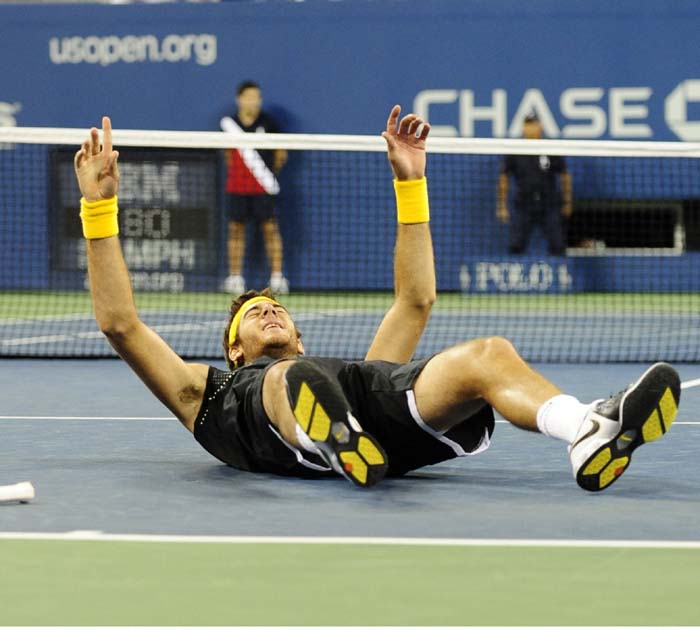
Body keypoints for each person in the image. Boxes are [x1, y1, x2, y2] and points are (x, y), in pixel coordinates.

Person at [74, 105, 680, 492]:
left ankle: (587, 430)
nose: (266, 309)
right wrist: (100, 207)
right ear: (233, 352)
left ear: (298, 327)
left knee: (488, 354)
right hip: (294, 416)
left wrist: (410, 183)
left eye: (274, 307)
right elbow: (121, 324)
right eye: (249, 315)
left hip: (363, 419)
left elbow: (415, 302)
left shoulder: (352, 371)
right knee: (293, 379)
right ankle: (326, 441)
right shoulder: (205, 397)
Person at [220, 80, 289, 295]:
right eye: (249, 96)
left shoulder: (270, 123)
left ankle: (277, 278)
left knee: (270, 230)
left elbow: (281, 154)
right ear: (239, 99)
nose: (253, 101)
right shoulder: (228, 124)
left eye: (257, 97)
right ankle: (234, 279)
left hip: (264, 187)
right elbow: (227, 156)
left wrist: (264, 175)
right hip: (237, 187)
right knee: (235, 230)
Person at [497, 112, 573, 255]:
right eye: (527, 124)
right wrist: (501, 205)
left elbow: (565, 175)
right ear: (523, 127)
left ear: (540, 126)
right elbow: (504, 177)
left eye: (533, 124)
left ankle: (560, 274)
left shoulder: (550, 147)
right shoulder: (515, 149)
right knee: (515, 246)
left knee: (558, 245)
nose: (530, 128)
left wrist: (567, 202)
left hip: (549, 204)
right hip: (524, 204)